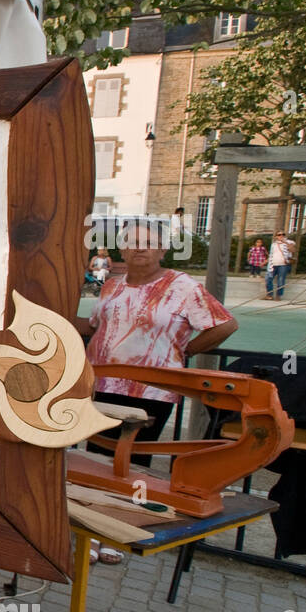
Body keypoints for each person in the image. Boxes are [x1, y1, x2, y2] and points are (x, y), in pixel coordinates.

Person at [74, 228, 238, 562]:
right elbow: (94, 326)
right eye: (132, 243)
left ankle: (120, 532)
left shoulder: (183, 287)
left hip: (151, 390)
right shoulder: (111, 285)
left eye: (148, 244)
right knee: (95, 458)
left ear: (162, 250)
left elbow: (224, 325)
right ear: (122, 250)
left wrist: (184, 351)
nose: (140, 249)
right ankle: (91, 532)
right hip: (102, 384)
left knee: (134, 463)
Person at [265, 231, 295, 300]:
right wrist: (266, 261)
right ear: (276, 236)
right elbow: (271, 254)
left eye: (283, 234)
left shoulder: (290, 242)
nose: (281, 236)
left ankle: (278, 295)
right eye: (279, 235)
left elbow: (293, 250)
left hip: (283, 264)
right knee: (268, 279)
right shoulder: (274, 244)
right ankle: (269, 295)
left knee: (281, 280)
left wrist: (285, 242)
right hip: (273, 264)